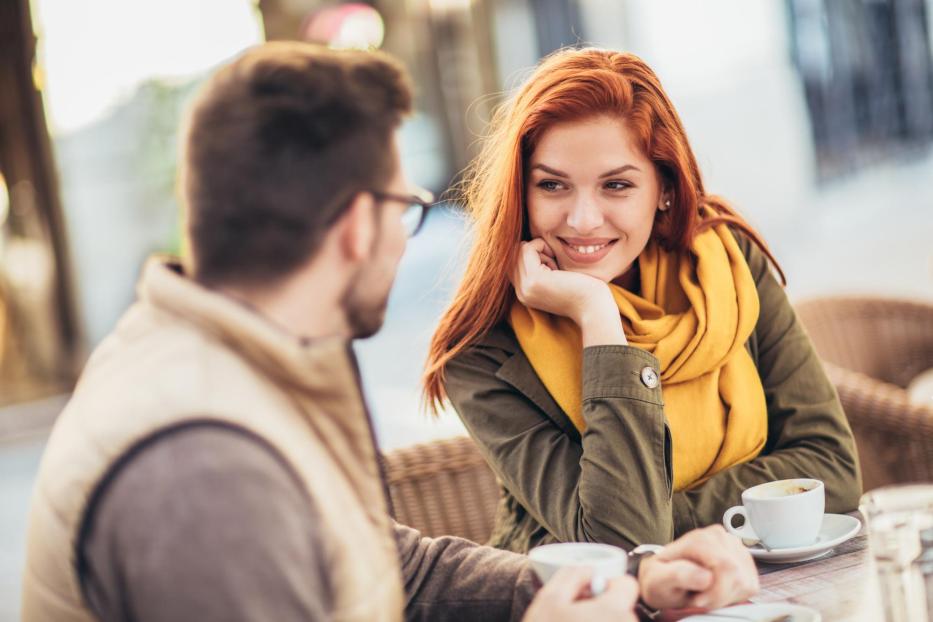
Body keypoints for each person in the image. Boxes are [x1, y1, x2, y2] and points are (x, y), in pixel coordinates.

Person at [21, 42, 757, 622]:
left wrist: (634, 577)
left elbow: (394, 567)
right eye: (404, 210)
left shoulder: (226, 356)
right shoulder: (206, 467)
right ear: (353, 228)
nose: (407, 241)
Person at [424, 47, 862, 554]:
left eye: (616, 185)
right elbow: (622, 542)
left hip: (775, 582)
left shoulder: (725, 262)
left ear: (665, 189)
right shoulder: (484, 352)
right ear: (520, 193)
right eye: (552, 185)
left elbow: (832, 467)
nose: (583, 219)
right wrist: (596, 316)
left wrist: (662, 515)